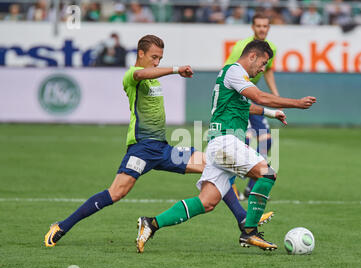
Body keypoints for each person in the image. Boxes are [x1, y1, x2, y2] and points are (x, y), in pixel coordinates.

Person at [44, 35, 274, 247]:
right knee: (116, 193)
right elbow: (141, 74)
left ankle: (244, 220)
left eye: (160, 59)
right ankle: (62, 226)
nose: (156, 62)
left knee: (214, 165)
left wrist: (268, 113)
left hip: (162, 148)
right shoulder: (132, 75)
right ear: (140, 54)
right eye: (154, 57)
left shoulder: (153, 80)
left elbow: (151, 75)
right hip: (141, 150)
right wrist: (174, 69)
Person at [136, 40, 316, 253]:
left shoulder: (234, 77)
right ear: (252, 56)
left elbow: (245, 105)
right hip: (226, 142)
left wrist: (271, 113)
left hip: (219, 144)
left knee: (207, 202)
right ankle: (249, 232)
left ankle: (151, 223)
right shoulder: (234, 71)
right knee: (267, 174)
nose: (262, 68)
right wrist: (296, 103)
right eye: (263, 63)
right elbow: (258, 96)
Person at [224, 13, 279, 200]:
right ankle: (228, 185)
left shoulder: (272, 48)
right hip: (237, 97)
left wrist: (275, 93)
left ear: (268, 28)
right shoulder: (242, 47)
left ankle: (251, 188)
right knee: (243, 141)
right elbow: (228, 72)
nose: (262, 29)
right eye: (259, 26)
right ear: (253, 27)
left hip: (251, 96)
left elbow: (269, 70)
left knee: (266, 139)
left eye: (265, 26)